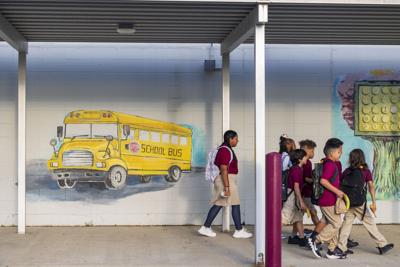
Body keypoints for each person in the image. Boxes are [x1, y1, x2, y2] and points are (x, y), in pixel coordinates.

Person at [337, 149, 394, 255]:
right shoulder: (365, 171)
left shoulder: (347, 171)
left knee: (347, 223)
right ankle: (382, 244)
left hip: (348, 202)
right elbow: (371, 186)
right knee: (369, 223)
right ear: (362, 158)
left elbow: (340, 184)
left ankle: (341, 247)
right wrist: (373, 201)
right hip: (359, 203)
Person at [198, 130, 252, 238]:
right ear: (230, 139)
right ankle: (238, 230)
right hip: (226, 180)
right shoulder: (225, 150)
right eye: (236, 139)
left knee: (219, 203)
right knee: (235, 204)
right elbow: (223, 168)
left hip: (225, 179)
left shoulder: (224, 149)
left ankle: (206, 227)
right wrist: (227, 186)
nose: (237, 141)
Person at [308, 138, 347, 259]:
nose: (340, 154)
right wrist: (338, 191)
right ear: (331, 153)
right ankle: (317, 240)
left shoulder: (326, 163)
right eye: (339, 152)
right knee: (337, 223)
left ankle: (331, 250)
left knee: (330, 222)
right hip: (328, 200)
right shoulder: (330, 165)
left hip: (329, 200)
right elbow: (323, 181)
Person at [282, 149, 309, 247]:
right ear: (299, 159)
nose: (307, 158)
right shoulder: (297, 170)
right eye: (305, 156)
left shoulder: (296, 168)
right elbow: (296, 186)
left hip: (295, 195)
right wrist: (301, 201)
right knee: (284, 218)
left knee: (298, 217)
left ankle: (298, 237)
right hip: (292, 196)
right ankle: (271, 236)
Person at [299, 139, 319, 228]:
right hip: (305, 193)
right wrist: (317, 181)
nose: (313, 153)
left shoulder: (302, 162)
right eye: (312, 151)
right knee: (313, 212)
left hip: (303, 192)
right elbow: (306, 178)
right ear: (306, 150)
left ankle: (295, 234)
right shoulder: (307, 163)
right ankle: (319, 231)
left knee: (299, 215)